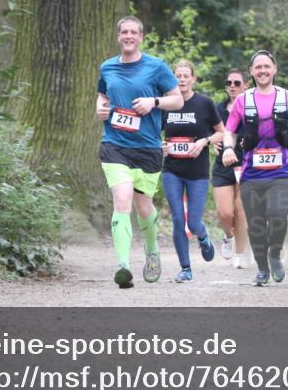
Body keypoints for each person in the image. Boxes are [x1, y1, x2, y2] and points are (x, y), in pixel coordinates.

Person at [95, 16, 183, 289]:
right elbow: (103, 95)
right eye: (124, 32)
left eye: (134, 32)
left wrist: (153, 101)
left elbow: (177, 99)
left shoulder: (156, 67)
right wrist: (100, 107)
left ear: (141, 37)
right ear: (118, 36)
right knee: (122, 200)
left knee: (144, 207)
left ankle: (152, 250)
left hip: (147, 148)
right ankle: (123, 266)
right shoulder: (107, 67)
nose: (128, 36)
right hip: (114, 145)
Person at [222, 51, 288, 286]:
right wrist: (228, 149)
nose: (262, 71)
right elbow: (229, 130)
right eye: (258, 67)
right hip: (251, 173)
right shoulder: (244, 100)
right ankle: (262, 268)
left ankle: (274, 255)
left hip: (281, 171)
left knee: (278, 216)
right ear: (251, 71)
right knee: (256, 223)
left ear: (274, 69)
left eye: (266, 66)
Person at [160, 59, 224, 282]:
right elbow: (151, 133)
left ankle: (203, 237)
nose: (182, 79)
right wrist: (160, 146)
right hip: (172, 171)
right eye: (178, 75)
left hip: (197, 172)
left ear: (193, 79)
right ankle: (185, 268)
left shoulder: (205, 104)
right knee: (178, 219)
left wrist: (204, 141)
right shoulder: (167, 105)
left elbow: (221, 133)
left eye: (186, 75)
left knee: (193, 223)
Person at [211, 68, 251, 269]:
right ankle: (229, 237)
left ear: (246, 85)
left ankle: (240, 254)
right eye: (229, 83)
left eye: (236, 83)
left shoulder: (252, 108)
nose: (232, 87)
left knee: (241, 211)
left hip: (247, 165)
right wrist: (212, 141)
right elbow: (209, 131)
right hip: (223, 166)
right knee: (225, 213)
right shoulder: (218, 109)